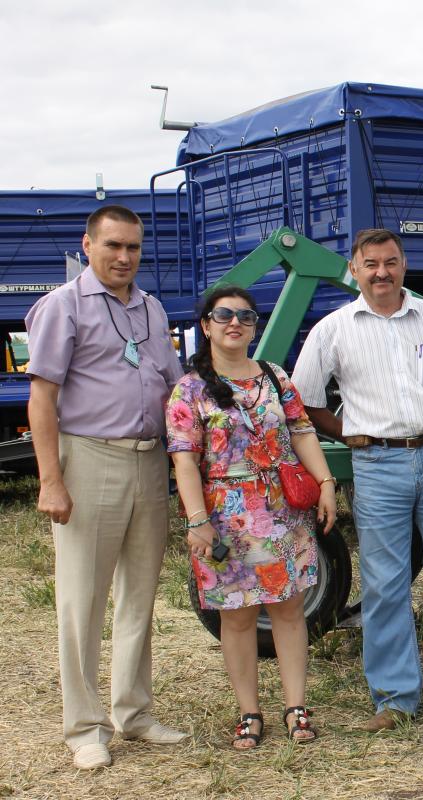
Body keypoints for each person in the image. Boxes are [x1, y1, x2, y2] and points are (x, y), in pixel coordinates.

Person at [291, 228, 423, 730]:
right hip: (378, 466)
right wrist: (351, 432)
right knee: (385, 586)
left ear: (405, 266)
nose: (382, 272)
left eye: (391, 262)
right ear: (354, 270)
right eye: (371, 263)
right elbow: (303, 401)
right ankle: (395, 699)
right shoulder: (333, 329)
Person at [25, 205, 187, 770]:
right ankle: (84, 727)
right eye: (113, 246)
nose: (124, 258)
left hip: (148, 462)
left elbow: (174, 390)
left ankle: (133, 712)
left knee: (139, 595)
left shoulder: (151, 309)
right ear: (88, 244)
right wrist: (51, 480)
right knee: (82, 599)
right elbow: (41, 397)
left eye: (133, 248)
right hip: (88, 458)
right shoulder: (63, 306)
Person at [166, 286, 338, 749]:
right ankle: (249, 712)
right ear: (205, 326)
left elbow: (302, 432)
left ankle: (296, 707)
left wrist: (325, 483)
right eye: (223, 315)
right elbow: (184, 460)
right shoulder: (189, 389)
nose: (234, 323)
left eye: (245, 315)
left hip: (282, 510)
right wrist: (197, 521)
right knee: (236, 618)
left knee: (288, 610)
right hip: (223, 518)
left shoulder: (275, 377)